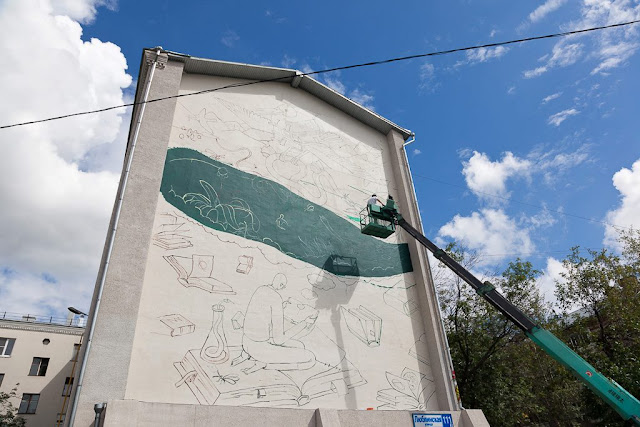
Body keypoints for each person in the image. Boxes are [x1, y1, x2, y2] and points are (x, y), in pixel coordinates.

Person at [234, 273, 317, 373]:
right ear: (281, 285)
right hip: (259, 350)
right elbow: (279, 340)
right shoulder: (276, 298)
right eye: (284, 286)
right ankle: (264, 364)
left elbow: (260, 315)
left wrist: (281, 307)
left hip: (246, 342)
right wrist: (304, 323)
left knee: (300, 346)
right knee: (311, 358)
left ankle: (248, 357)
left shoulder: (261, 289)